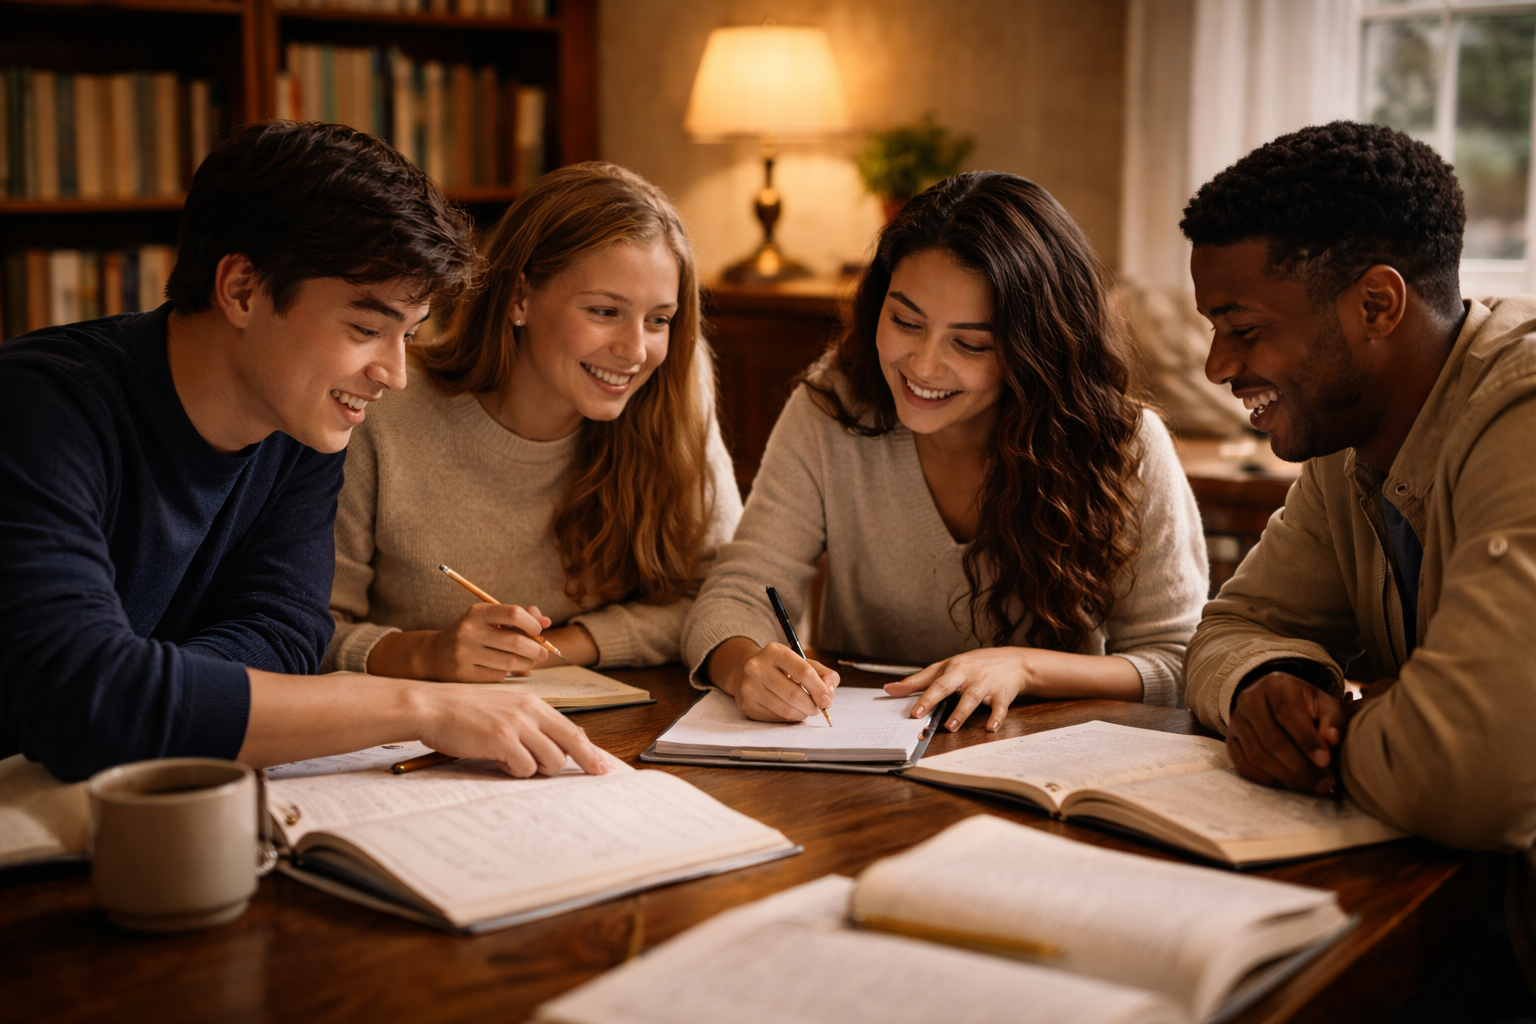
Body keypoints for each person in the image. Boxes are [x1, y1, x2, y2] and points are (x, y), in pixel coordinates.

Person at [0, 121, 607, 782]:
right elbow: (83, 701)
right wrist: (419, 706)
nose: (394, 374)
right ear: (242, 290)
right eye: (366, 328)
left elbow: (285, 636)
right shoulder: (39, 408)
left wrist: (150, 698)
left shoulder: (303, 424)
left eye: (408, 334)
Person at [1181, 121, 1536, 1010]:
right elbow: (1230, 628)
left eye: (1243, 328)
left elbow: (1468, 771)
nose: (1219, 365)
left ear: (1377, 306)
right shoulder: (1350, 448)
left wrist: (1333, 733)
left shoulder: (1524, 415)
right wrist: (1272, 679)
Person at [682, 171, 1208, 729]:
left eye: (970, 343)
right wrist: (745, 668)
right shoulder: (833, 409)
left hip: (1044, 765)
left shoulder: (1123, 444)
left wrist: (1025, 668)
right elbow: (734, 595)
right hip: (865, 767)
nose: (924, 365)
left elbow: (1178, 661)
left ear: (1036, 350)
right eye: (905, 321)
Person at [322, 162, 740, 679]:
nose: (636, 351)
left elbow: (719, 596)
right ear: (520, 297)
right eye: (605, 312)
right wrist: (424, 654)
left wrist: (556, 648)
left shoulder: (674, 388)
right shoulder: (384, 407)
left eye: (659, 320)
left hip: (608, 723)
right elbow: (311, 629)